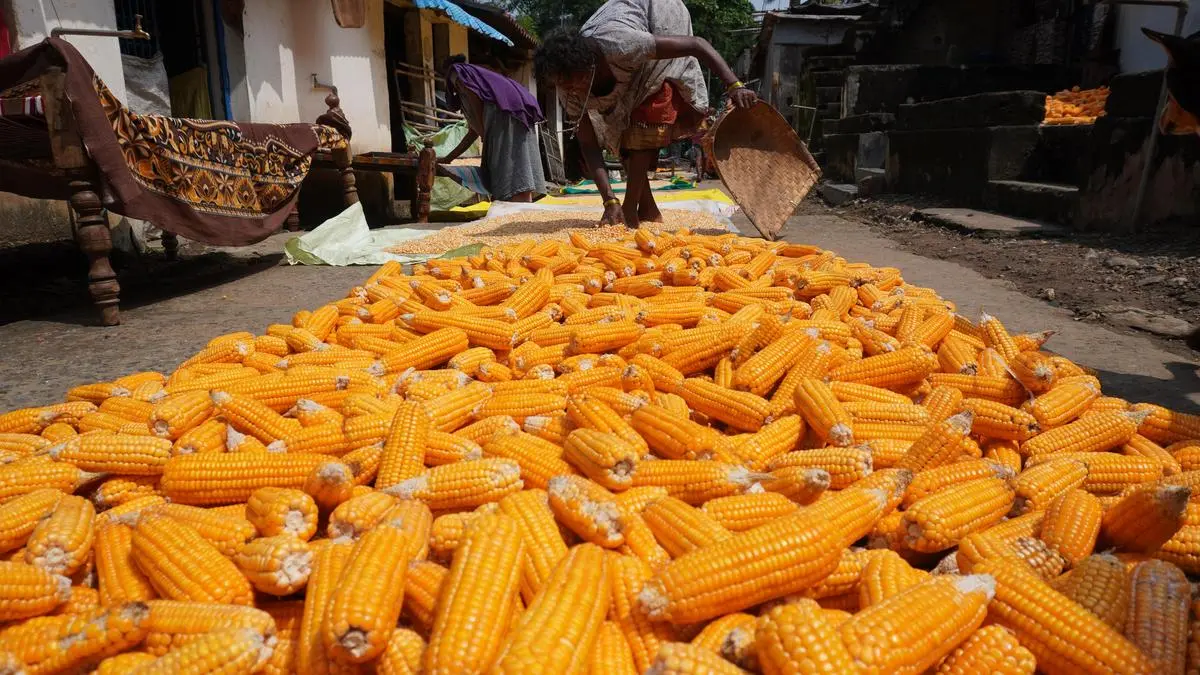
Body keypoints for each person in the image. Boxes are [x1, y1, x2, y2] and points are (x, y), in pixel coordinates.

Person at [534, 0, 756, 227]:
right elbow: (589, 144)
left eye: (571, 82)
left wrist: (734, 85)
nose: (568, 90)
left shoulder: (621, 45)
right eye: (562, 85)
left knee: (646, 117)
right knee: (623, 138)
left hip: (659, 14)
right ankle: (648, 210)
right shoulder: (568, 89)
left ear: (586, 67)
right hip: (626, 49)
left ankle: (631, 209)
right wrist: (609, 201)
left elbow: (697, 45)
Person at [439, 55, 546, 202]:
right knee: (520, 162)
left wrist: (484, 130)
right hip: (517, 110)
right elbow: (472, 132)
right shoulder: (477, 80)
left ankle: (517, 208)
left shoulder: (457, 72)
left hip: (505, 113)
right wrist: (448, 158)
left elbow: (472, 96)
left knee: (510, 165)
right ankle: (518, 206)